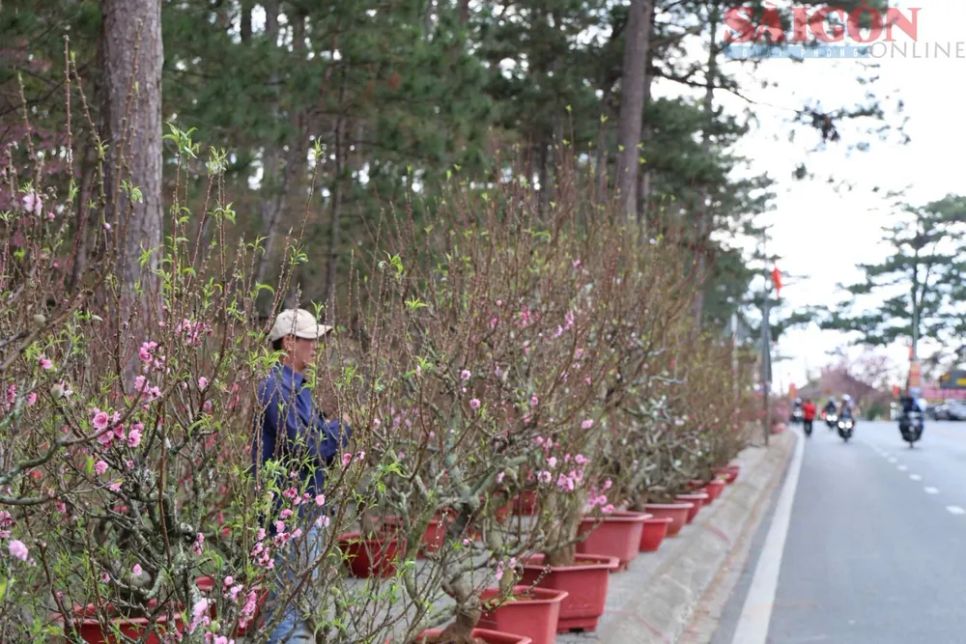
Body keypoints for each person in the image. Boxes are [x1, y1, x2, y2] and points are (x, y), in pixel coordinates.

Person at [252, 308, 351, 643]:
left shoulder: (297, 388)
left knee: (297, 603)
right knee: (289, 606)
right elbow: (306, 446)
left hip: (305, 511)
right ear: (289, 342)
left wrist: (333, 434)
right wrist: (342, 429)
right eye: (311, 339)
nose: (316, 347)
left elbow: (318, 446)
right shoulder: (276, 388)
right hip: (289, 515)